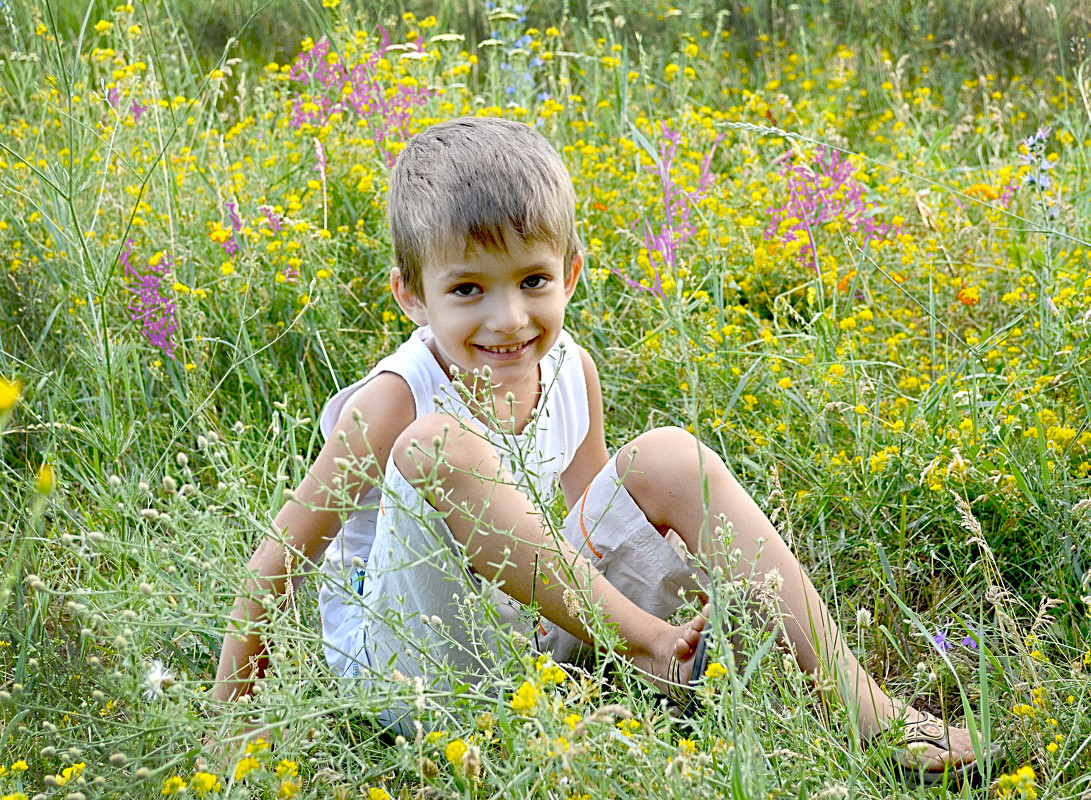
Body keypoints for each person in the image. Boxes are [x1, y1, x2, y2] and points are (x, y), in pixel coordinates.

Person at [212, 116, 996, 786]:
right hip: (414, 664)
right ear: (412, 295)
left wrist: (676, 576)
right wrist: (229, 739)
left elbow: (590, 530)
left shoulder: (569, 369)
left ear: (571, 273)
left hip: (529, 645)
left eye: (533, 280)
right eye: (467, 290)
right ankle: (651, 647)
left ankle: (863, 706)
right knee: (438, 447)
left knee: (664, 454)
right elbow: (276, 563)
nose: (509, 318)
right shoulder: (395, 399)